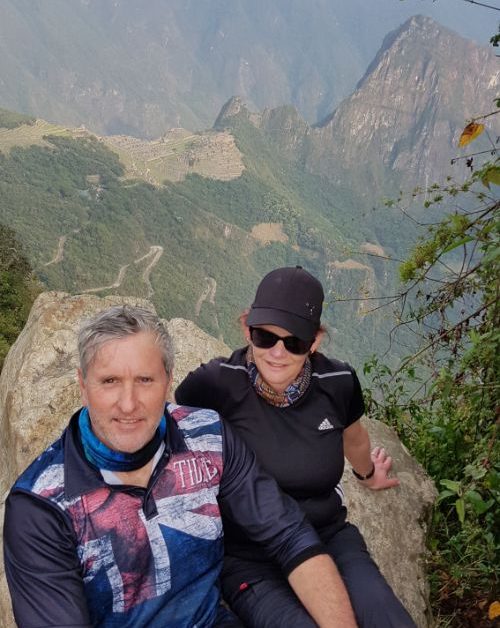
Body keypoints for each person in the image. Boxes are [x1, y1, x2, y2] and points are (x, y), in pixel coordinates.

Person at [3, 304, 357, 628]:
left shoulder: (208, 438)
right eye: (109, 381)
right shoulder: (42, 508)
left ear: (168, 381)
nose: (128, 404)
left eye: (145, 380)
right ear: (83, 385)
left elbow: (289, 535)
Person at [176, 266, 417, 628]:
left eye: (295, 342)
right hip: (248, 553)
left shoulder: (337, 383)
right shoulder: (216, 384)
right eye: (264, 337)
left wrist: (368, 473)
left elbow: (353, 436)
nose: (277, 352)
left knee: (387, 619)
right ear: (247, 330)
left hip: (328, 534)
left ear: (315, 342)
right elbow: (175, 428)